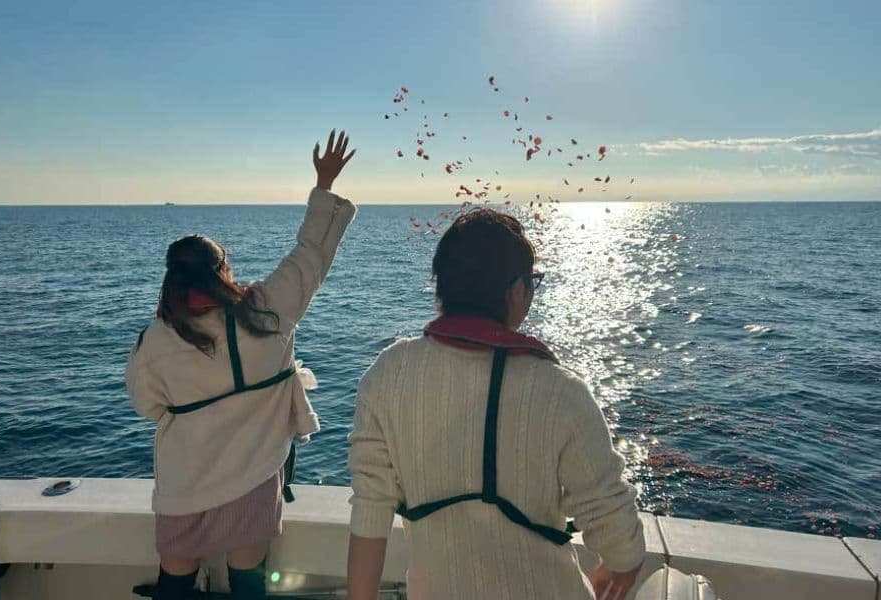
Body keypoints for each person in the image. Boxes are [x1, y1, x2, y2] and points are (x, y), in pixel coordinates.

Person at [347, 209, 645, 600]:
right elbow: (620, 542)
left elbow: (370, 516)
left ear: (443, 289)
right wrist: (620, 565)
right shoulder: (561, 391)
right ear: (516, 290)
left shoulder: (387, 374)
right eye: (532, 284)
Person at [127, 130, 356, 600]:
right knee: (249, 581)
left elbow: (148, 406)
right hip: (254, 477)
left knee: (175, 579)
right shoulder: (267, 312)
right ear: (222, 271)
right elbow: (310, 255)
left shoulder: (155, 339)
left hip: (184, 482)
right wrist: (324, 184)